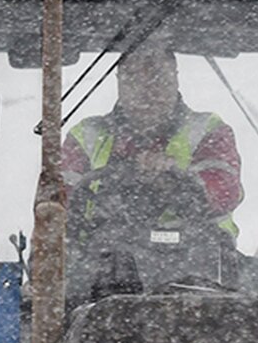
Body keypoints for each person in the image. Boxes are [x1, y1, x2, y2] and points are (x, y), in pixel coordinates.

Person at [60, 45, 243, 244]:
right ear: (119, 82)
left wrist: (175, 184)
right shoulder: (86, 135)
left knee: (255, 272)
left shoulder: (209, 131)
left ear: (176, 79)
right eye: (135, 80)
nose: (148, 91)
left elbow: (224, 191)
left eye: (159, 78)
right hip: (98, 263)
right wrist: (118, 182)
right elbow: (55, 206)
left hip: (202, 262)